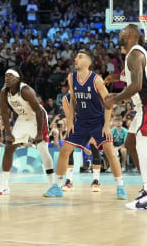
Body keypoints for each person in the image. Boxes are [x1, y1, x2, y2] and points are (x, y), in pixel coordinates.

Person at [44, 50, 127, 200]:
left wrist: (107, 126)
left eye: (80, 57)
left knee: (110, 152)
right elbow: (73, 100)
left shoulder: (96, 80)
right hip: (80, 123)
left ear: (88, 63)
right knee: (64, 151)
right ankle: (57, 186)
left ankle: (120, 187)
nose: (76, 59)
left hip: (97, 122)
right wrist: (70, 121)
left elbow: (108, 103)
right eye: (76, 57)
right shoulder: (71, 78)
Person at [105, 25, 147, 210]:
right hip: (144, 106)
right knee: (131, 143)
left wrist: (114, 99)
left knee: (143, 146)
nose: (119, 33)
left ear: (131, 35)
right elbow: (136, 80)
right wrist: (117, 77)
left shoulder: (135, 54)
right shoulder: (134, 55)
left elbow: (138, 85)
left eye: (123, 31)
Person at [0, 69, 54, 196]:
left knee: (42, 148)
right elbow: (4, 112)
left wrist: (38, 133)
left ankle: (52, 185)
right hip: (22, 118)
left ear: (18, 79)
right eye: (5, 76)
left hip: (38, 118)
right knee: (9, 147)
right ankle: (4, 185)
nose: (7, 78)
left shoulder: (25, 90)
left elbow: (38, 111)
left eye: (10, 76)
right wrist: (8, 133)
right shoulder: (4, 92)